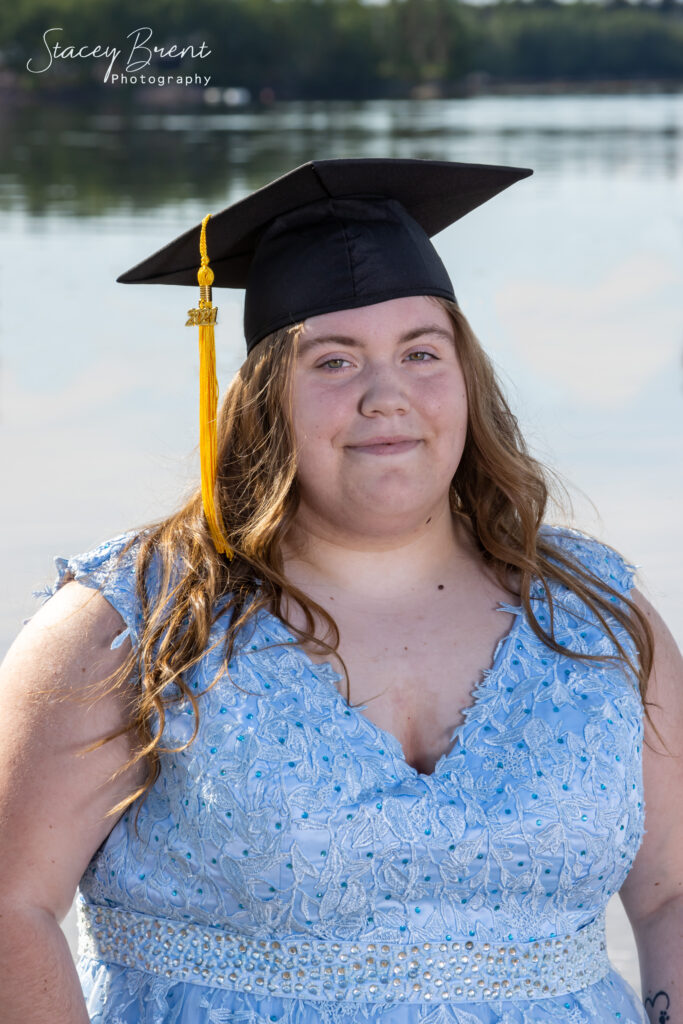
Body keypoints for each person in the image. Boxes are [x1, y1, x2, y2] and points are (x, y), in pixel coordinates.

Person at [0, 157, 680, 1024]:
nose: (385, 396)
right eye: (333, 362)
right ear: (261, 398)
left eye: (420, 353)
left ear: (467, 378)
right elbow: (12, 907)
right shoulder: (139, 621)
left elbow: (669, 897)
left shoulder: (594, 617)